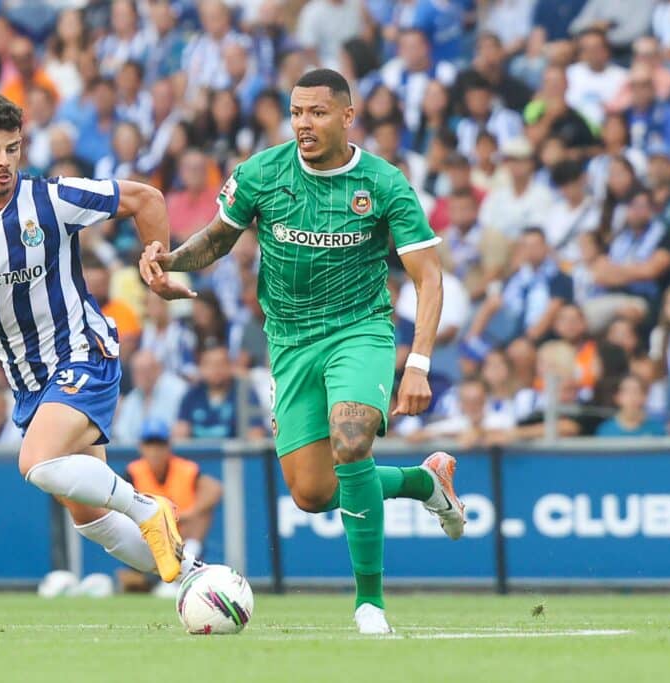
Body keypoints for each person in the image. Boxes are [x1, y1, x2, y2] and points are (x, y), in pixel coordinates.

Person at [140, 69, 465, 634]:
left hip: (358, 331)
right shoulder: (263, 172)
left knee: (351, 436)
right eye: (296, 113)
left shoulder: (384, 183)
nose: (303, 125)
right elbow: (218, 238)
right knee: (313, 494)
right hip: (289, 341)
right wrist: (170, 259)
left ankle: (370, 604)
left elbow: (428, 276)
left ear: (346, 115)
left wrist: (418, 362)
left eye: (316, 112)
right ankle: (423, 482)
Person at [0, 93, 198, 590]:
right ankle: (200, 580)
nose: (3, 162)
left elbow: (146, 199)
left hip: (82, 355)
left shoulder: (52, 198)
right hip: (30, 382)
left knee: (36, 462)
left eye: (12, 148)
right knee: (90, 518)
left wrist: (158, 268)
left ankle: (148, 505)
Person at [121, 418, 223, 596]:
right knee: (130, 581)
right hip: (150, 539)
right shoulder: (134, 471)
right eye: (150, 445)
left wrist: (189, 513)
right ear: (141, 447)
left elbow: (215, 489)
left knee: (202, 514)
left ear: (168, 446)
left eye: (159, 445)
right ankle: (158, 579)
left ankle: (183, 565)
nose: (155, 451)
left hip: (183, 538)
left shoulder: (185, 469)